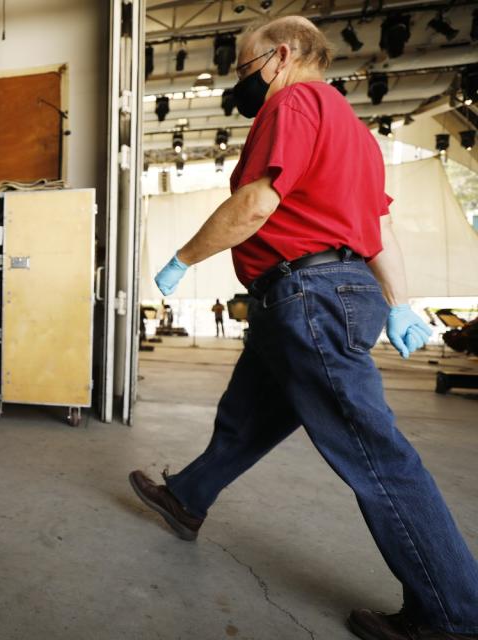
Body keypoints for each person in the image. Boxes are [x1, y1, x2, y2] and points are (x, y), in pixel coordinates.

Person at [128, 15, 478, 640]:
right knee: (248, 415)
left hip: (308, 295)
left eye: (243, 71)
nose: (243, 87)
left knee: (376, 455)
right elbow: (381, 230)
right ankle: (188, 497)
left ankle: (454, 613)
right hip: (323, 292)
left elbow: (258, 202)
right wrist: (398, 301)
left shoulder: (293, 103)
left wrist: (184, 257)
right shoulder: (358, 134)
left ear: (280, 56)